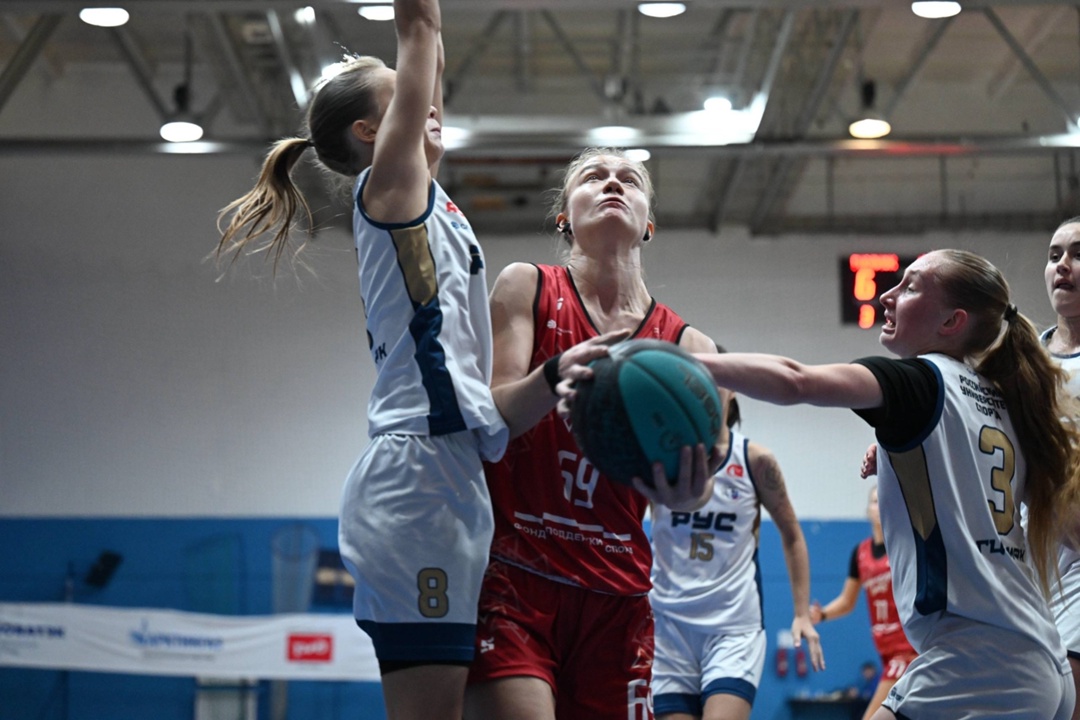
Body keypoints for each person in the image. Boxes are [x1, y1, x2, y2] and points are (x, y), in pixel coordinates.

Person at [561, 249, 1080, 718]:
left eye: (911, 286)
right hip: (1038, 654)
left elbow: (796, 379)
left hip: (980, 659)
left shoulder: (922, 381)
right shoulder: (1000, 401)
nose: (888, 295)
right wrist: (895, 456)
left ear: (952, 321)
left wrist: (673, 364)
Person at [216, 3, 515, 717]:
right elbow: (421, 29)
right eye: (407, 93)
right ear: (371, 133)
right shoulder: (389, 190)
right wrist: (421, 32)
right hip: (417, 477)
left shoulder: (428, 196)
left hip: (450, 468)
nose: (429, 100)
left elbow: (430, 56)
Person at [463, 148, 718, 720]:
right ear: (564, 217)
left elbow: (700, 480)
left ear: (648, 224)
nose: (612, 184)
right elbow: (493, 416)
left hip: (617, 592)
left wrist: (687, 494)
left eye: (629, 179)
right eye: (594, 177)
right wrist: (554, 375)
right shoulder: (527, 285)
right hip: (516, 575)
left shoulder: (688, 345)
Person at [650, 391, 824, 720]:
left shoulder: (755, 460)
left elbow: (792, 534)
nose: (705, 387)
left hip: (733, 626)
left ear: (731, 390)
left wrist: (802, 612)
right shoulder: (657, 455)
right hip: (669, 626)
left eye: (717, 379)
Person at [810, 485, 916, 720]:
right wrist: (822, 614)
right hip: (884, 649)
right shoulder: (860, 553)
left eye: (885, 500)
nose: (880, 506)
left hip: (908, 648)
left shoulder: (904, 545)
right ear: (867, 509)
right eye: (875, 501)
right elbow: (847, 601)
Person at [1043, 216, 1080, 720]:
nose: (1063, 265)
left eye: (1076, 254)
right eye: (1054, 255)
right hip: (1027, 559)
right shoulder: (1022, 356)